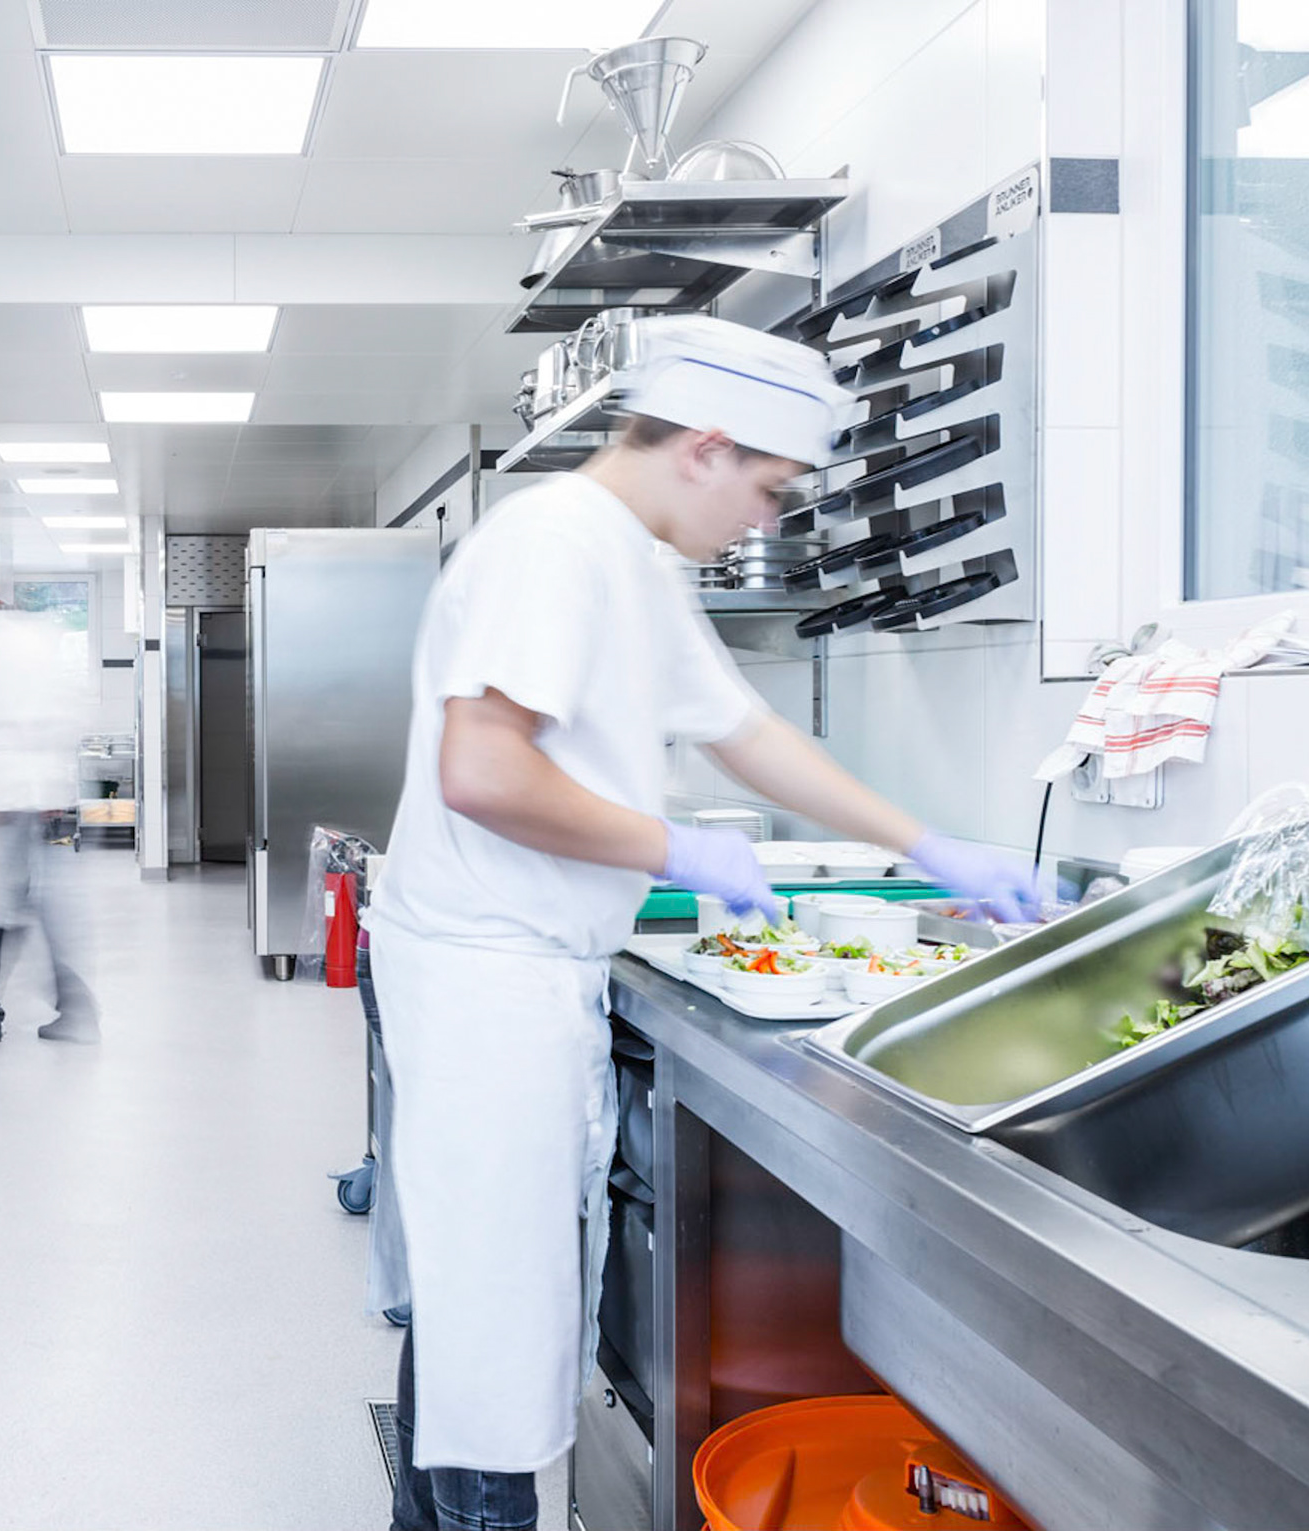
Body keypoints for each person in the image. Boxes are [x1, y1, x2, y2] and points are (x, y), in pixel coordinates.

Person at [365, 315, 1051, 1531]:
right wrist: (673, 847)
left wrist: (925, 842)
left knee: (484, 1314)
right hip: (487, 982)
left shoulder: (633, 562)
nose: (765, 519)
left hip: (529, 971)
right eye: (770, 489)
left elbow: (747, 733)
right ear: (706, 448)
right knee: (498, 1335)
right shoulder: (554, 543)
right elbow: (483, 769)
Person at [0, 593, 102, 1043]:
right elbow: (73, 708)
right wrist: (52, 773)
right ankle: (70, 1008)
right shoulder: (43, 635)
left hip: (0, 792)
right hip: (37, 788)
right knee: (35, 901)